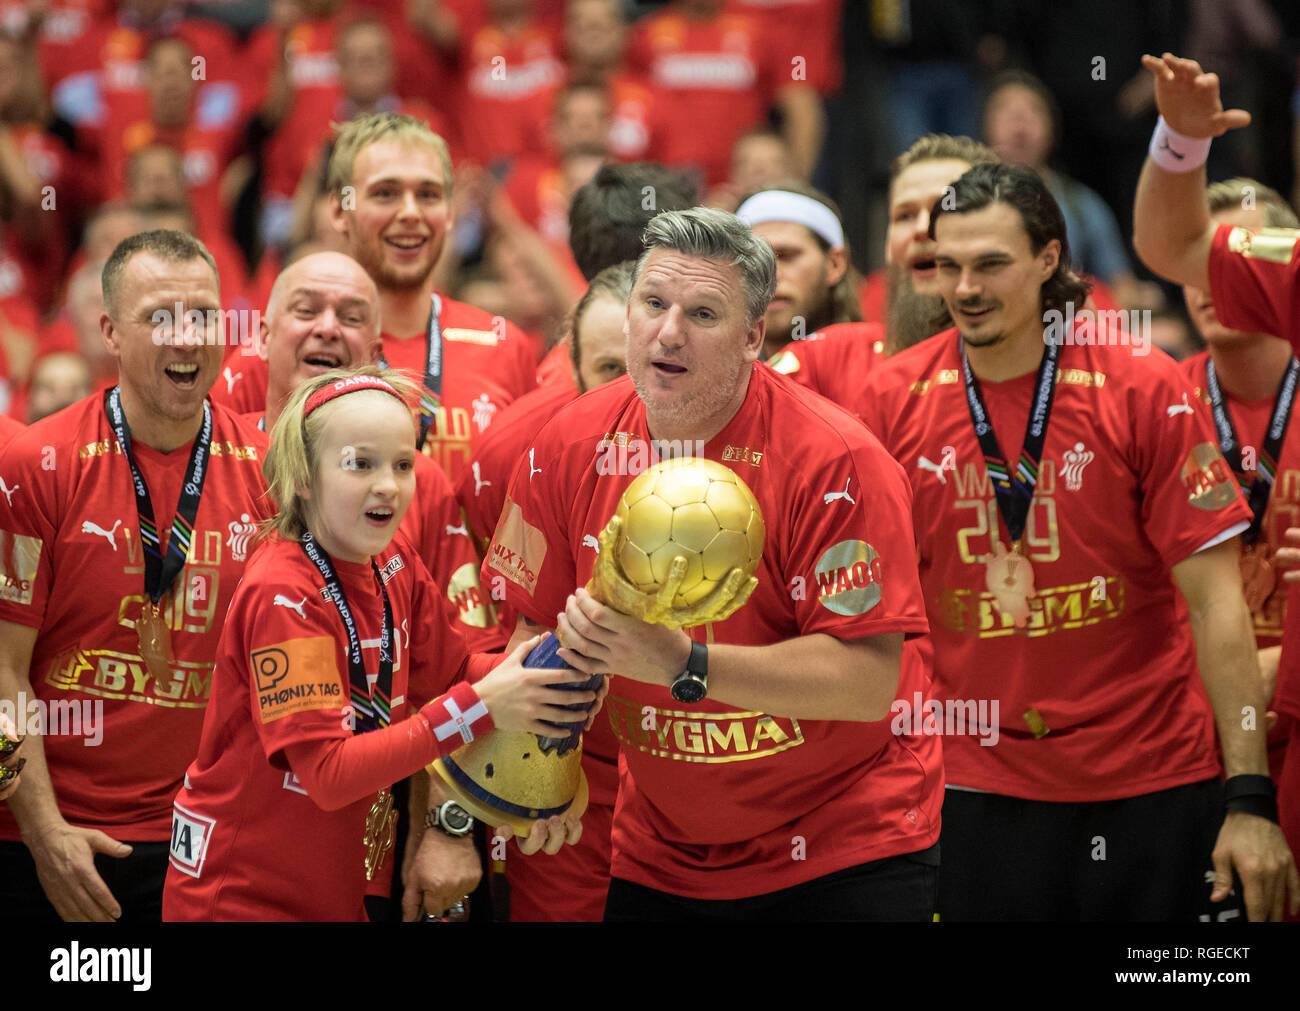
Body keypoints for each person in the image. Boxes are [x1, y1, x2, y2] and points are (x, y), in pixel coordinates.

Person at [861, 161, 1297, 921]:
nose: (966, 287)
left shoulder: (1141, 384)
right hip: (972, 781)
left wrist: (1250, 798)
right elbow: (871, 618)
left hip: (1150, 776)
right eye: (949, 264)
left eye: (992, 263)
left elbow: (1216, 602)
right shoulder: (889, 399)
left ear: (1048, 259)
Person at [487, 207, 940, 919]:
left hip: (842, 843)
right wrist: (539, 761)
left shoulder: (838, 461)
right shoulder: (569, 442)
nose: (669, 332)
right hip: (663, 850)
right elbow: (530, 633)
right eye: (654, 303)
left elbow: (867, 681)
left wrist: (684, 665)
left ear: (755, 337)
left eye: (703, 312)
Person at [162, 366, 593, 921]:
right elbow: (327, 774)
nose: (388, 484)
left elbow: (458, 669)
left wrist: (543, 671)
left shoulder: (394, 563)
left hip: (334, 888)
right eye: (359, 464)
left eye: (403, 463)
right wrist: (483, 708)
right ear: (303, 478)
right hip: (239, 897)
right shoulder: (284, 594)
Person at [0, 230, 272, 921]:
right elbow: (3, 670)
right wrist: (43, 831)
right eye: (159, 318)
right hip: (52, 840)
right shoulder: (39, 463)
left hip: (206, 841)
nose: (186, 338)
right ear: (109, 334)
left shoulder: (274, 474)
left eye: (204, 316)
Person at [1133, 50, 1300, 920]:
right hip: (1189, 736)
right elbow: (1176, 243)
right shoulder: (1152, 393)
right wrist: (1181, 145)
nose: (1205, 286)